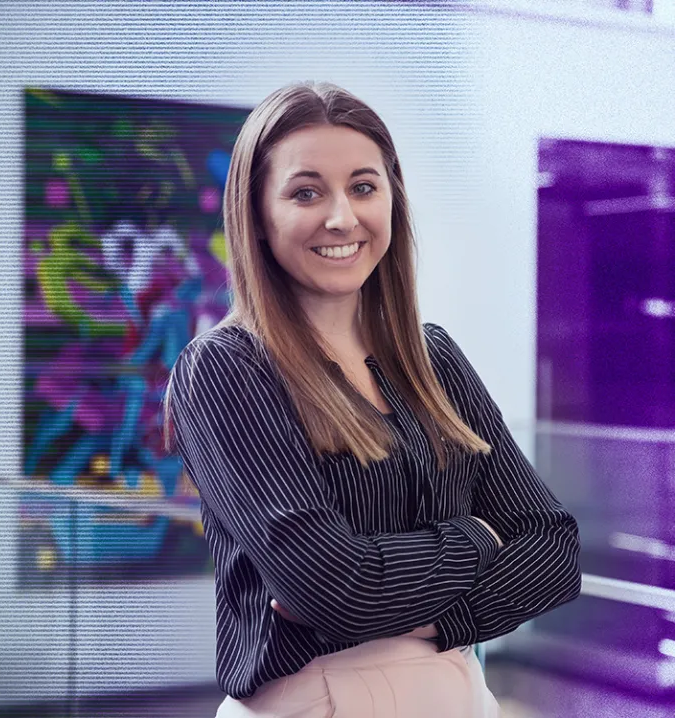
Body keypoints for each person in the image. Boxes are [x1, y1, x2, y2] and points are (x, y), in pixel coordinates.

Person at [163, 81, 582, 717]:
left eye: (363, 187)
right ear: (257, 214)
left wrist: (434, 614)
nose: (342, 217)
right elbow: (337, 588)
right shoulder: (225, 369)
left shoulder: (431, 355)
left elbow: (555, 551)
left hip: (459, 688)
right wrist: (476, 536)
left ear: (392, 200)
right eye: (306, 192)